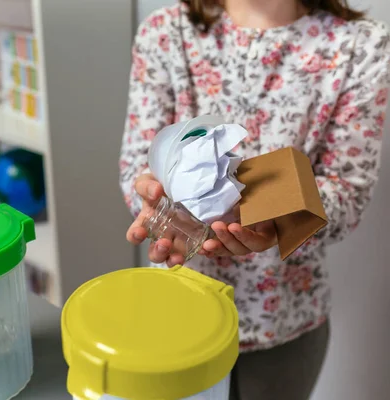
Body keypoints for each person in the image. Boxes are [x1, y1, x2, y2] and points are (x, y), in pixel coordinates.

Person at [119, 0, 390, 399]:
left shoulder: (359, 46)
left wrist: (280, 219)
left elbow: (348, 192)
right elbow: (135, 169)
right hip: (179, 312)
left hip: (284, 323)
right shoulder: (166, 33)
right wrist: (152, 198)